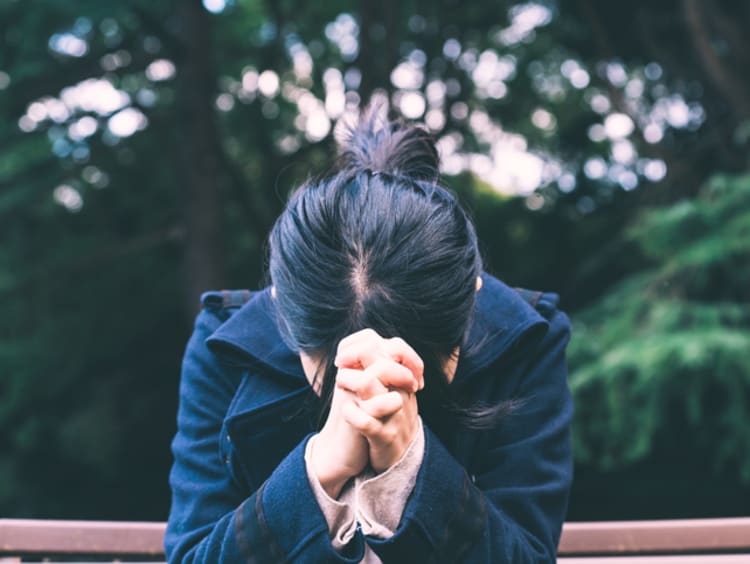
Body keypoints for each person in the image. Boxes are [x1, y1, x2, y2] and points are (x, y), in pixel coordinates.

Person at [164, 107, 573, 563]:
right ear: (282, 304)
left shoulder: (525, 340)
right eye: (336, 363)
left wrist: (412, 470)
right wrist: (317, 473)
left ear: (471, 302)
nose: (372, 381)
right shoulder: (225, 344)